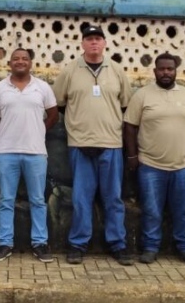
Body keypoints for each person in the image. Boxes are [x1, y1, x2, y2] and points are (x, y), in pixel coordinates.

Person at [53, 22, 133, 265]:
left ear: (105, 43)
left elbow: (125, 106)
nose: (94, 42)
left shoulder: (117, 70)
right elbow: (59, 104)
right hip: (80, 146)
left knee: (113, 198)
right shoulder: (70, 71)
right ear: (82, 43)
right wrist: (81, 131)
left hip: (111, 145)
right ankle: (78, 244)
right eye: (89, 39)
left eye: (98, 38)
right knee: (81, 198)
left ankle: (118, 244)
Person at [123, 51, 185, 266]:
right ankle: (150, 248)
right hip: (150, 165)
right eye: (162, 69)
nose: (166, 72)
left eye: (170, 69)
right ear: (155, 71)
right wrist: (132, 155)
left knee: (184, 210)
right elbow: (130, 126)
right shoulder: (142, 95)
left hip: (183, 165)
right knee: (151, 210)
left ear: (176, 71)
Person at [0, 47, 58, 263]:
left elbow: (53, 114)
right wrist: (9, 129)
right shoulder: (0, 88)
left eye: (24, 58)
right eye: (16, 58)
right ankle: (5, 243)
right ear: (10, 63)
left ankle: (40, 243)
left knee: (38, 199)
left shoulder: (42, 87)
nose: (20, 61)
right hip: (7, 152)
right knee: (6, 199)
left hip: (36, 152)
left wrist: (39, 129)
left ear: (30, 63)